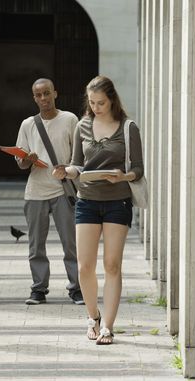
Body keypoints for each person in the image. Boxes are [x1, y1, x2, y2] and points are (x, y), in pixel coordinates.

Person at [52, 76, 144, 345]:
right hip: (87, 200)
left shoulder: (128, 128)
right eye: (91, 103)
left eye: (100, 102)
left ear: (112, 99)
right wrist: (65, 172)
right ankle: (93, 317)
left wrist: (123, 176)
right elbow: (77, 165)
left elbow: (138, 169)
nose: (96, 107)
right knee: (85, 266)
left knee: (112, 264)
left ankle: (109, 326)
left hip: (118, 201)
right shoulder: (83, 125)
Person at [16, 78, 83, 306]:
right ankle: (38, 289)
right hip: (35, 191)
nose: (43, 98)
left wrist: (69, 170)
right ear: (34, 98)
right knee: (36, 245)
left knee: (71, 243)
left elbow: (79, 156)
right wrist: (28, 159)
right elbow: (20, 163)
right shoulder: (28, 124)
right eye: (39, 95)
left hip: (63, 191)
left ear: (55, 93)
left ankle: (77, 288)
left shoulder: (70, 119)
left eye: (47, 93)